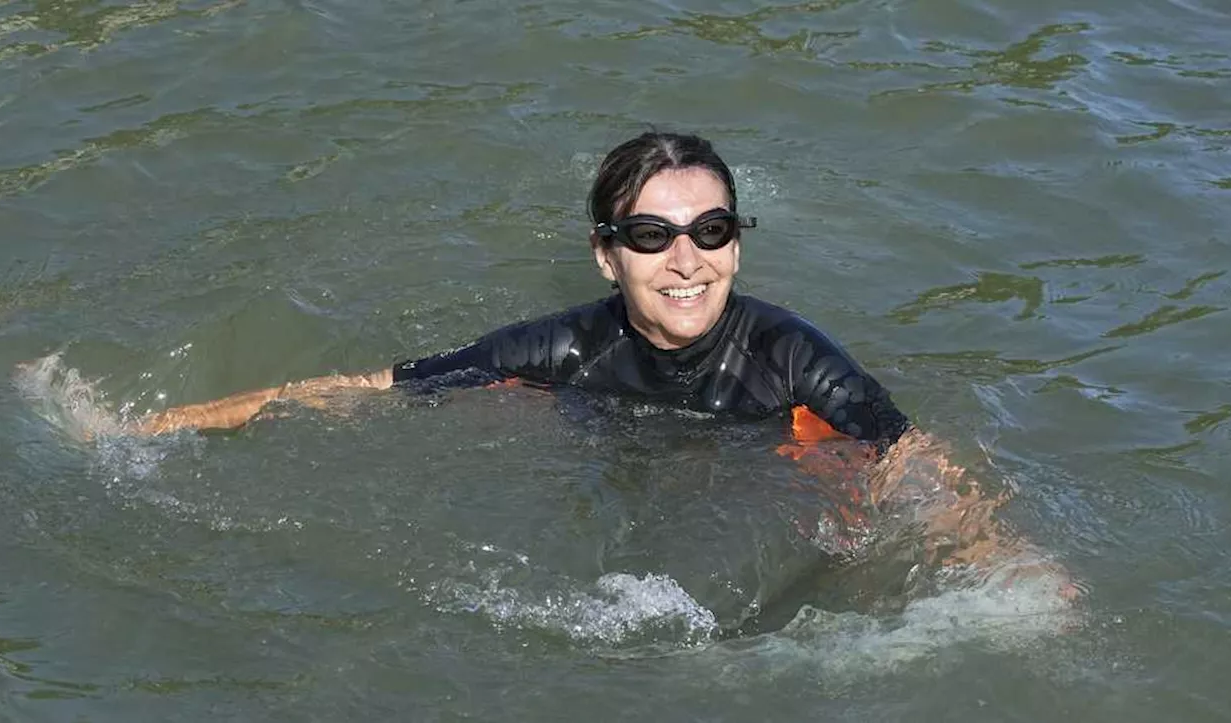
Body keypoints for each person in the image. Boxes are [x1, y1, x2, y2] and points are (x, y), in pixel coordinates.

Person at [130, 132, 1076, 595]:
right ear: (605, 253)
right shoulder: (567, 347)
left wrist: (1014, 574)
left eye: (709, 230)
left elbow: (917, 458)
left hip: (768, 474)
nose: (685, 259)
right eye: (651, 234)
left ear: (737, 245)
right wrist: (150, 430)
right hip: (616, 460)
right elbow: (370, 389)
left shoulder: (789, 356)